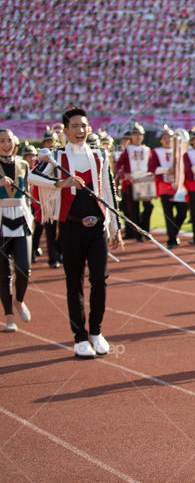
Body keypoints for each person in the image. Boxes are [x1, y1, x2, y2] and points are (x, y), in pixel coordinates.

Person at [29, 107, 123, 358]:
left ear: (89, 128)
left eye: (84, 126)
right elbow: (32, 177)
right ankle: (79, 336)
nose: (80, 131)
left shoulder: (100, 155)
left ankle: (96, 330)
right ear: (65, 131)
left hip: (97, 229)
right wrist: (61, 183)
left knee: (100, 279)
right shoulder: (56, 157)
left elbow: (108, 191)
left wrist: (115, 226)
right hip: (70, 228)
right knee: (74, 282)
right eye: (75, 127)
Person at [0, 130, 34, 332]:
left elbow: (28, 192)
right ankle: (9, 316)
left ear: (15, 142)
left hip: (21, 219)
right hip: (0, 221)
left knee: (24, 268)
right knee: (4, 274)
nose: (5, 144)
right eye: (1, 141)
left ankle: (19, 300)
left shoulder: (23, 164)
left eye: (8, 141)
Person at [114, 123, 156, 242]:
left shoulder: (147, 150)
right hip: (132, 182)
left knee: (149, 206)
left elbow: (151, 165)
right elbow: (118, 166)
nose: (138, 137)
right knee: (134, 209)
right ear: (131, 136)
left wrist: (151, 173)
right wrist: (124, 174)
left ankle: (145, 230)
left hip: (145, 181)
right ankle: (138, 234)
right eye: (135, 134)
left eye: (140, 135)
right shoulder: (128, 149)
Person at [150, 126, 188, 248]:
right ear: (161, 140)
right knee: (169, 214)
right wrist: (167, 170)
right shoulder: (156, 152)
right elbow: (152, 169)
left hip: (179, 187)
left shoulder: (180, 151)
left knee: (182, 212)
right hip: (164, 186)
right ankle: (172, 239)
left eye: (169, 138)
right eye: (165, 138)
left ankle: (173, 233)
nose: (167, 140)